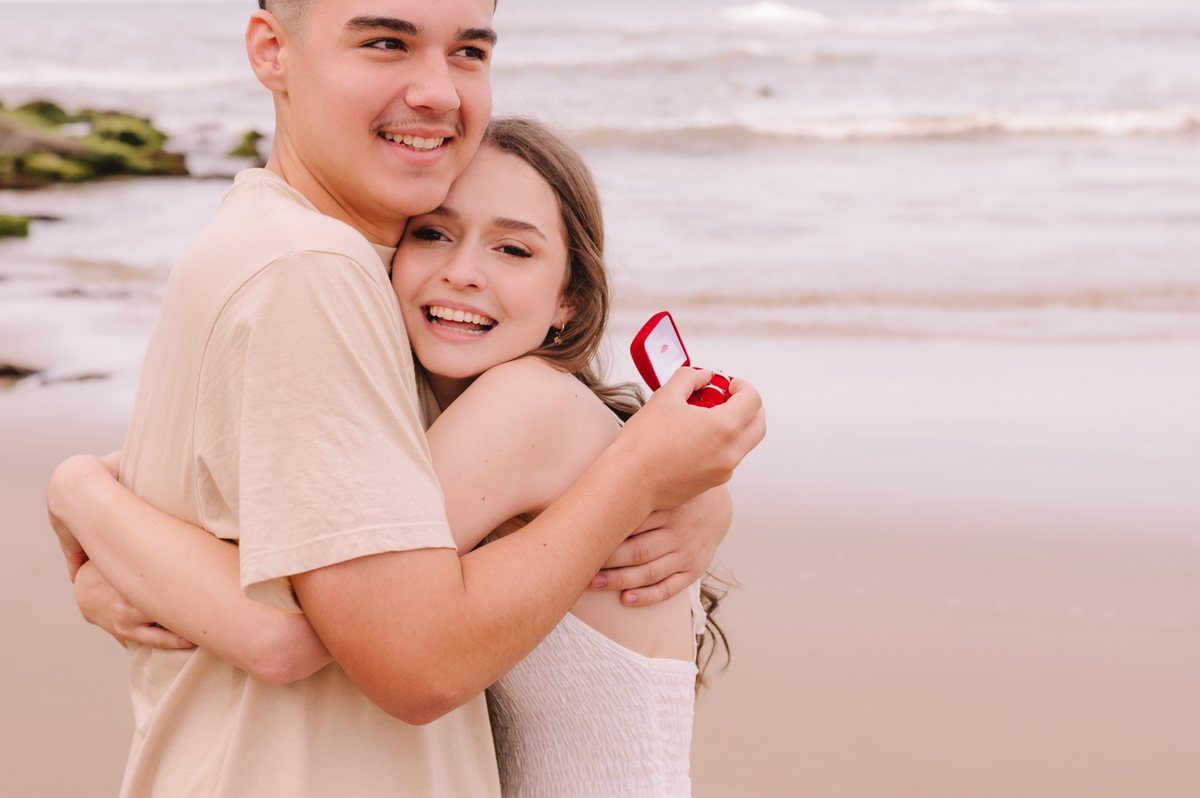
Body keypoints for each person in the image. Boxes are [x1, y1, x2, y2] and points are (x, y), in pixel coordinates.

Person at [46, 2, 766, 797]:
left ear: (570, 298)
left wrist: (84, 497)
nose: (463, 271)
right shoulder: (335, 295)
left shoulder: (522, 401)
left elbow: (290, 627)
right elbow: (282, 534)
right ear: (270, 50)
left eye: (515, 248)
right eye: (431, 234)